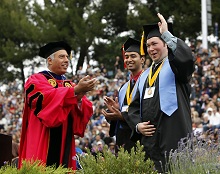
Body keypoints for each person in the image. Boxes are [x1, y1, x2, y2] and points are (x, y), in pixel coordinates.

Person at [124, 13, 195, 173]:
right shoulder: (144, 76)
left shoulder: (176, 67)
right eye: (148, 46)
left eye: (154, 43)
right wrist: (137, 125)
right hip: (150, 143)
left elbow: (187, 59)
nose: (150, 49)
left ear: (165, 44)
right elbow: (133, 108)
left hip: (174, 135)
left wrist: (167, 34)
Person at [18, 41, 97, 170]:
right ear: (49, 60)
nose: (66, 60)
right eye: (62, 57)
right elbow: (45, 99)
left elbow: (85, 109)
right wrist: (74, 92)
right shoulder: (36, 79)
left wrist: (79, 97)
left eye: (67, 57)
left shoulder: (68, 84)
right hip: (42, 137)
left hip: (64, 142)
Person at [102, 38, 146, 153]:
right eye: (126, 57)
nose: (129, 59)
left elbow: (148, 112)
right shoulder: (124, 87)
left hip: (141, 141)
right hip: (122, 141)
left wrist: (122, 116)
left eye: (133, 56)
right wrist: (114, 111)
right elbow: (122, 114)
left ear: (142, 59)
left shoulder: (149, 83)